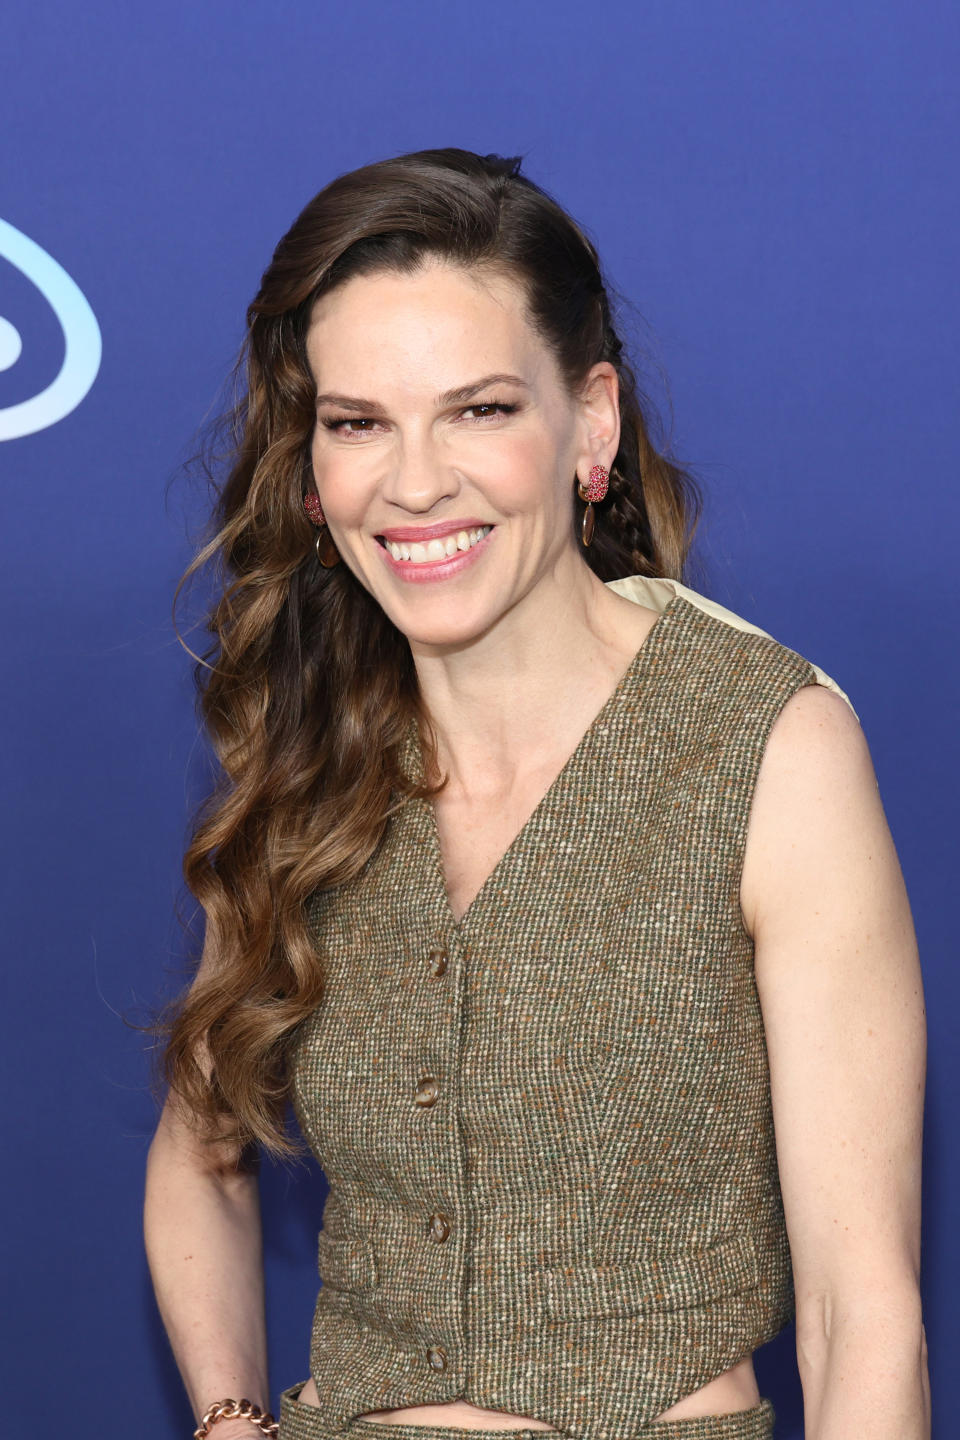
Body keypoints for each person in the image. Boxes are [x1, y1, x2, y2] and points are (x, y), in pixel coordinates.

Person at [144, 148, 930, 1440]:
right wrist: (233, 1418)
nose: (414, 483)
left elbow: (867, 1321)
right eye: (359, 424)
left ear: (594, 423)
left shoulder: (766, 748)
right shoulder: (311, 753)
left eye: (480, 410)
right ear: (314, 464)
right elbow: (201, 1141)